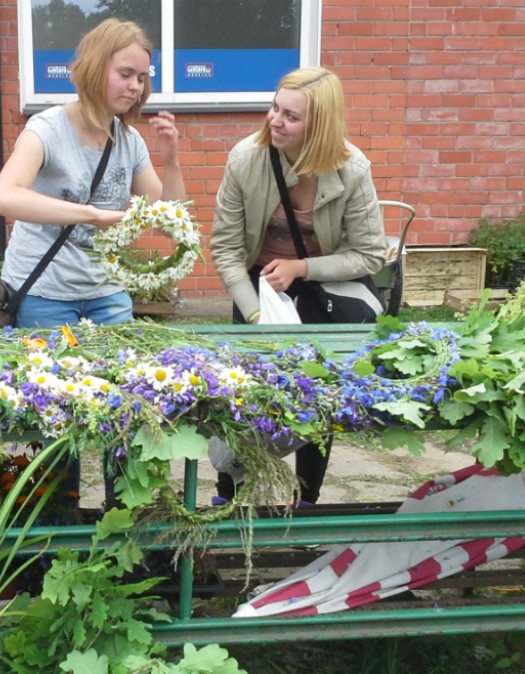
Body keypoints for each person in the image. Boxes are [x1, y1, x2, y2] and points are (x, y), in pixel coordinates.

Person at [210, 66, 387, 505]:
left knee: (317, 397)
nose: (275, 120)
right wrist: (255, 315)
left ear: (319, 125)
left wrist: (302, 268)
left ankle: (307, 501)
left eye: (291, 116)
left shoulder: (353, 169)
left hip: (322, 291)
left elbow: (370, 255)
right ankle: (228, 499)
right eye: (275, 107)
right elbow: (226, 250)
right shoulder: (245, 160)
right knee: (245, 396)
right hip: (258, 290)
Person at [0, 18, 186, 329]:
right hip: (43, 294)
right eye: (125, 74)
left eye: (141, 77)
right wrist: (91, 215)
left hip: (108, 296)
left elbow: (171, 225)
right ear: (95, 68)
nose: (135, 86)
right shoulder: (47, 129)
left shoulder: (130, 141)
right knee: (49, 376)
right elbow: (3, 198)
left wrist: (171, 161)